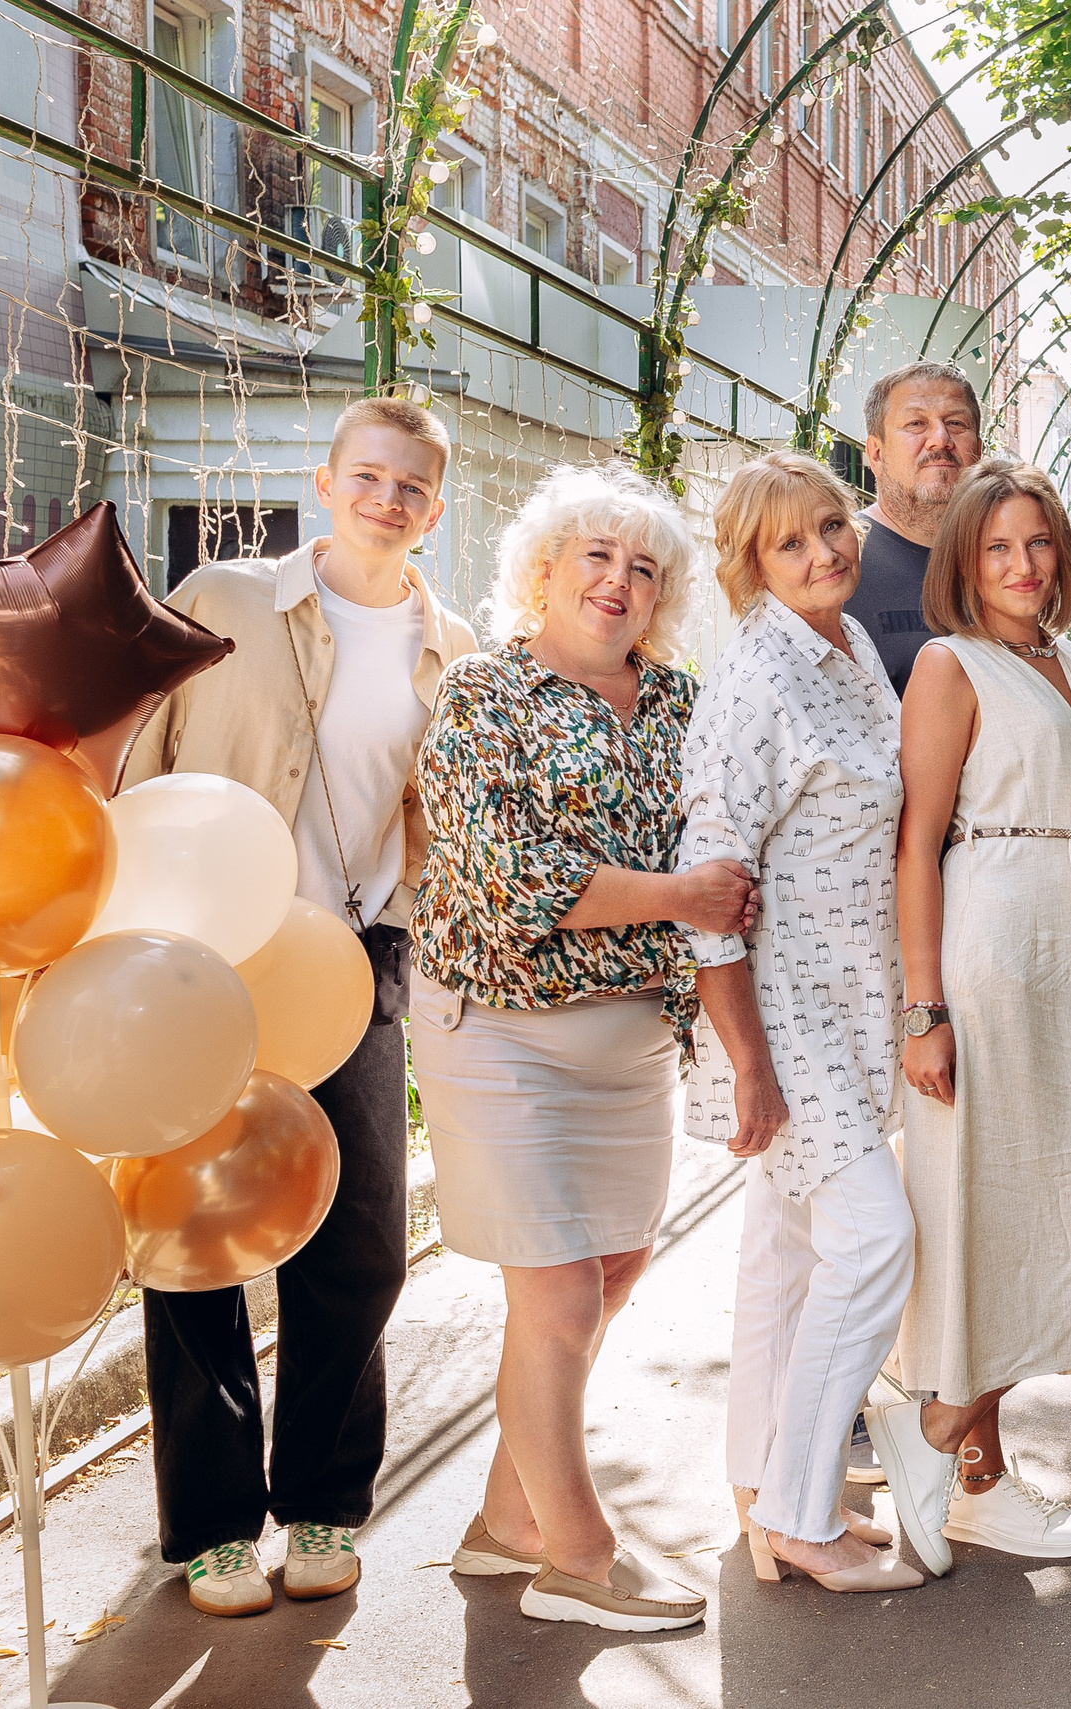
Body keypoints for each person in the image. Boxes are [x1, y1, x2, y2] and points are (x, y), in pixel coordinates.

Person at [120, 396, 478, 1618]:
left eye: (413, 486)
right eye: (368, 476)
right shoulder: (225, 599)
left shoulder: (452, 645)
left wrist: (411, 926)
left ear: (436, 508)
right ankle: (214, 1526)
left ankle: (322, 1497)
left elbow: (436, 813)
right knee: (190, 1233)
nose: (388, 498)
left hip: (354, 961)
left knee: (361, 1236)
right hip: (201, 957)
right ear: (325, 484)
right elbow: (141, 754)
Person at [411, 462, 741, 1634]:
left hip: (631, 1043)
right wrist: (682, 894)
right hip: (500, 1031)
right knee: (553, 1290)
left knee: (608, 1277)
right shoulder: (481, 694)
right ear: (542, 570)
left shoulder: (685, 702)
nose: (617, 580)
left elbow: (735, 844)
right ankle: (582, 1557)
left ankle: (509, 1519)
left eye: (643, 565)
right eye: (594, 556)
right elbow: (507, 885)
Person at [866, 458, 1071, 1575]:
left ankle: (936, 1448)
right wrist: (925, 1008)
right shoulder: (948, 665)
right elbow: (917, 840)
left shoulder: (1069, 661)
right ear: (965, 559)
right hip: (995, 943)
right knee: (985, 1206)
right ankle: (964, 1467)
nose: (1022, 564)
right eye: (998, 546)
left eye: (1040, 543)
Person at [678, 451, 920, 1593]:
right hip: (785, 1016)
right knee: (873, 1241)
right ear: (749, 564)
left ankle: (758, 1485)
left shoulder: (851, 644)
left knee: (783, 1256)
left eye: (831, 526)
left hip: (856, 999)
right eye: (790, 542)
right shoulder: (753, 673)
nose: (825, 551)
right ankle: (802, 1513)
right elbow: (712, 877)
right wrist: (747, 1062)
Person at [850, 360, 984, 693]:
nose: (940, 439)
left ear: (978, 452)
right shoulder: (835, 561)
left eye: (955, 423)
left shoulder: (1007, 562)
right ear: (876, 454)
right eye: (916, 423)